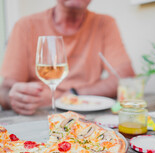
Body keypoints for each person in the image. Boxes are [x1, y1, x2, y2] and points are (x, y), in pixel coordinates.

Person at [0, 0, 134, 115]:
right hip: (39, 115)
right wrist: (14, 99)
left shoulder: (104, 23)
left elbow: (124, 77)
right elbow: (5, 90)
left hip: (89, 114)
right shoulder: (25, 26)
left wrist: (74, 94)